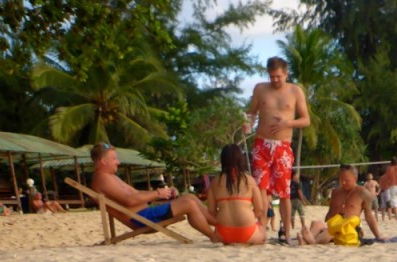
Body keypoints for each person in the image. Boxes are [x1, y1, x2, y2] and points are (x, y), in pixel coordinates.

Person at [89, 142, 218, 240]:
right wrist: (158, 193)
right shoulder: (102, 179)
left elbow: (135, 192)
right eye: (114, 159)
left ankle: (221, 225)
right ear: (103, 161)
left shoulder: (110, 177)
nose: (118, 162)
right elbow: (130, 200)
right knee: (189, 204)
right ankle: (215, 237)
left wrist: (164, 192)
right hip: (142, 219)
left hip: (146, 214)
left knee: (190, 197)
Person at [245, 56, 310, 245]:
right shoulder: (260, 88)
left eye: (278, 76)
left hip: (282, 145)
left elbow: (306, 120)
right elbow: (253, 112)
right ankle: (261, 229)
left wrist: (287, 122)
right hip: (261, 144)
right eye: (272, 76)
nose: (275, 80)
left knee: (283, 193)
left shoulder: (295, 91)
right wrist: (247, 124)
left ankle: (287, 232)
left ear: (286, 74)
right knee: (261, 190)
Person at [300, 164, 385, 245]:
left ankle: (311, 241)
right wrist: (323, 227)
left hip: (348, 229)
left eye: (347, 180)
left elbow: (369, 216)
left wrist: (378, 235)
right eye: (341, 180)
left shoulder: (363, 193)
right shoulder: (335, 192)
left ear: (355, 179)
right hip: (334, 225)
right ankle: (308, 239)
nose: (343, 183)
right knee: (316, 223)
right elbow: (330, 213)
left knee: (332, 231)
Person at [206, 144, 267, 245]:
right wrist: (250, 218)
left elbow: (211, 210)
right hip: (248, 231)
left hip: (223, 233)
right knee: (263, 232)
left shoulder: (214, 182)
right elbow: (259, 208)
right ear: (240, 159)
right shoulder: (249, 180)